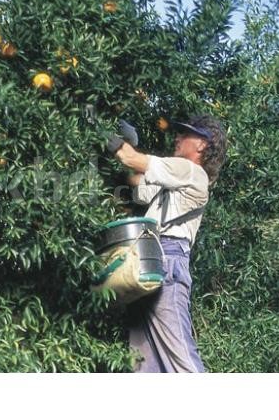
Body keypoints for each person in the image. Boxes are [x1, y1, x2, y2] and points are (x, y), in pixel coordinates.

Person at [108, 114, 227, 372]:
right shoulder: (174, 182)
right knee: (143, 365)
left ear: (202, 145)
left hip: (168, 260)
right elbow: (136, 180)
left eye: (186, 134)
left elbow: (131, 159)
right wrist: (122, 155)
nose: (177, 137)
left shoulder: (192, 171)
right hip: (149, 259)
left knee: (181, 359)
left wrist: (102, 130)